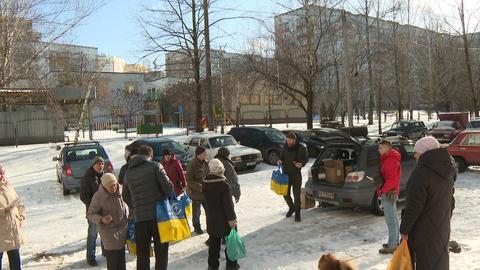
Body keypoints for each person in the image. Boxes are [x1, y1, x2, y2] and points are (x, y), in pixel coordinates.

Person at [400, 137, 455, 270]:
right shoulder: (448, 168)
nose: (415, 155)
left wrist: (404, 229)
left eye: (417, 152)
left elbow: (414, 206)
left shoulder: (421, 173)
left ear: (425, 152)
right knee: (439, 262)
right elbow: (451, 201)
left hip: (424, 231)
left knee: (426, 263)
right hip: (442, 227)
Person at [123, 145, 174, 270]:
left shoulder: (128, 172)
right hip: (159, 216)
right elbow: (169, 189)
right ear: (150, 156)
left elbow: (125, 195)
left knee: (143, 253)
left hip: (140, 219)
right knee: (161, 252)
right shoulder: (156, 166)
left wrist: (135, 206)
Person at [203, 159, 239, 270]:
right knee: (231, 243)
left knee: (214, 244)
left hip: (211, 219)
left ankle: (212, 266)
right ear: (220, 169)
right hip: (224, 220)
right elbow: (228, 205)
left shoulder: (204, 183)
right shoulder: (223, 185)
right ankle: (231, 265)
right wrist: (232, 219)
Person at [87, 173, 129, 270]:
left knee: (121, 261)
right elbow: (90, 214)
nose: (114, 188)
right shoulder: (98, 197)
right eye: (110, 186)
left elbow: (127, 202)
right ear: (104, 186)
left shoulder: (121, 190)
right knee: (113, 262)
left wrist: (129, 212)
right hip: (108, 233)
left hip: (122, 230)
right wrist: (102, 219)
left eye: (114, 185)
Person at [377, 140, 401, 254]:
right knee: (393, 219)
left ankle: (392, 245)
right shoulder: (388, 159)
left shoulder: (391, 160)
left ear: (387, 148)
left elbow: (392, 179)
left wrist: (382, 190)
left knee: (390, 219)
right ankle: (394, 242)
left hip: (389, 193)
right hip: (389, 191)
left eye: (381, 148)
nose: (379, 150)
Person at [277, 132, 308, 222]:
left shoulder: (301, 148)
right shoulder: (285, 147)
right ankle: (292, 207)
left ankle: (297, 213)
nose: (289, 142)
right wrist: (279, 160)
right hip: (286, 175)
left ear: (294, 140)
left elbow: (305, 159)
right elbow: (281, 157)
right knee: (285, 194)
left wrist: (301, 164)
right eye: (287, 140)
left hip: (296, 175)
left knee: (296, 195)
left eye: (290, 140)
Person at [80, 156, 105, 266]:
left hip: (106, 210)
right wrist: (94, 206)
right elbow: (84, 196)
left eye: (102, 164)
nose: (101, 166)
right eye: (98, 164)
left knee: (105, 232)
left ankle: (107, 252)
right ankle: (90, 257)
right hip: (93, 212)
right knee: (93, 235)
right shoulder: (87, 178)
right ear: (93, 165)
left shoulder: (105, 176)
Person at [0, 165, 25, 270]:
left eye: (3, 173)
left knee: (15, 264)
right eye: (0, 173)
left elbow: (19, 203)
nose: (2, 176)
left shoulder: (9, 186)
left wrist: (21, 216)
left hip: (13, 233)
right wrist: (4, 210)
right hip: (1, 234)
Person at [186, 146, 209, 234]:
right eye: (204, 153)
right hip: (196, 193)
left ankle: (210, 224)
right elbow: (189, 180)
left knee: (209, 211)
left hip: (205, 192)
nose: (206, 154)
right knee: (196, 212)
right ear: (199, 154)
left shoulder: (205, 162)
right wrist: (200, 187)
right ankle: (197, 227)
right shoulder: (192, 164)